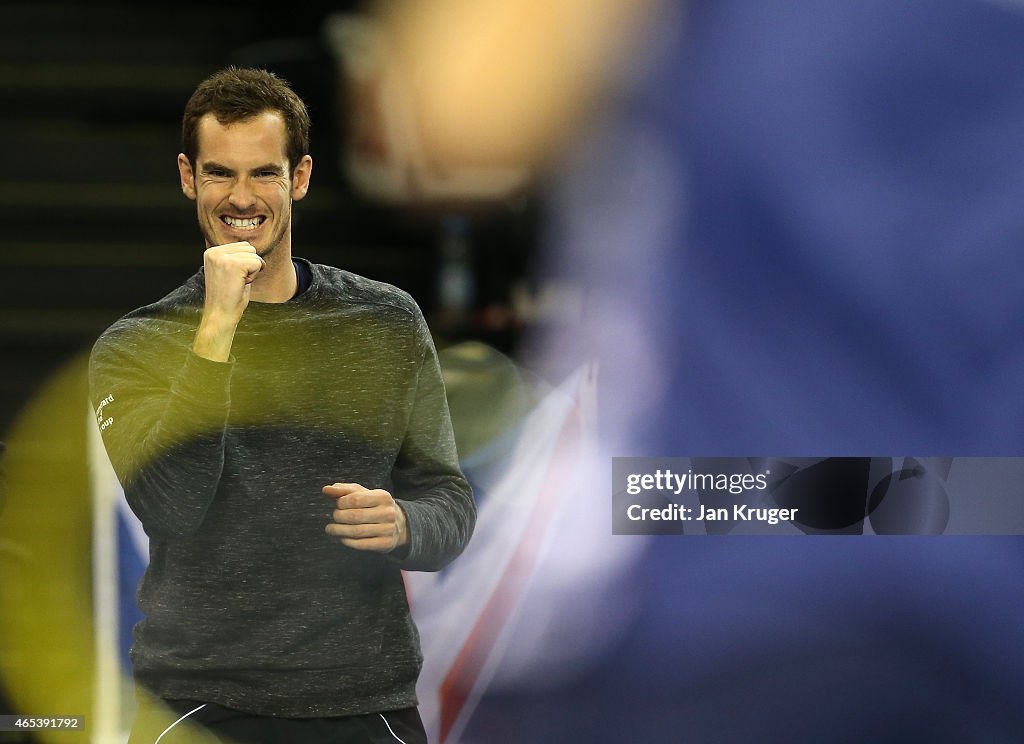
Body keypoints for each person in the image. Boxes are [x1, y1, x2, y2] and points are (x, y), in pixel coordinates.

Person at [89, 67, 475, 744]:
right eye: (219, 174)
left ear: (299, 177)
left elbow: (450, 505)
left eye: (263, 173)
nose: (242, 198)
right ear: (188, 177)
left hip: (365, 703)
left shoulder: (387, 319)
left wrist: (405, 523)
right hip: (194, 706)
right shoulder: (135, 345)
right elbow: (171, 506)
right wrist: (215, 332)